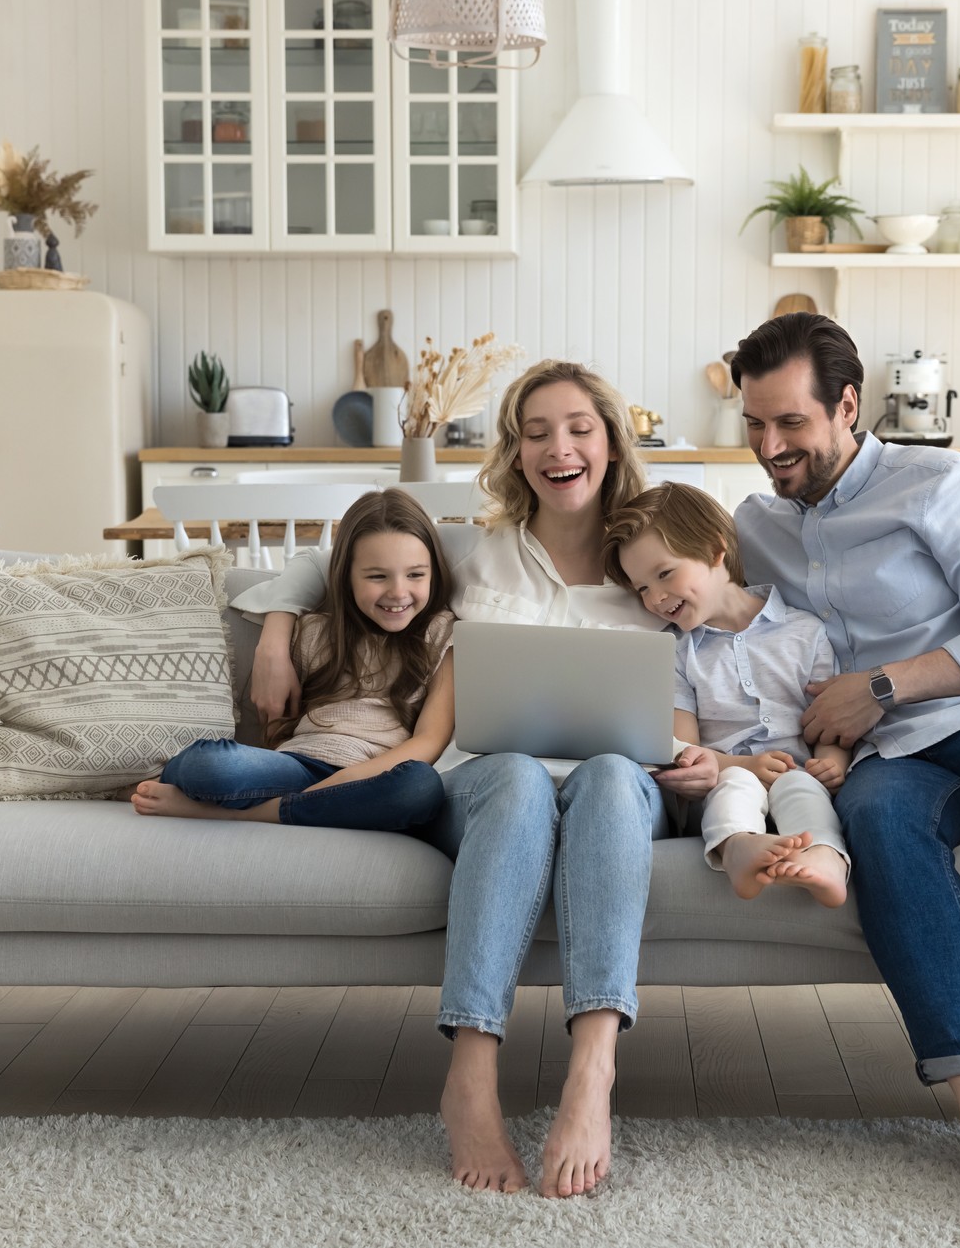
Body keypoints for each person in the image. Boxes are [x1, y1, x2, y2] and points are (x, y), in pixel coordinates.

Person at [656, 313, 960, 1218]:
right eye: (754, 426)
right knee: (881, 828)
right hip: (885, 760)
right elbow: (663, 562)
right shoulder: (755, 527)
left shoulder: (941, 483)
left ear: (848, 405)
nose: (769, 448)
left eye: (791, 424)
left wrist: (877, 685)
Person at [236, 360, 666, 1200]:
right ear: (513, 450)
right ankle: (470, 1074)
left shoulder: (651, 555)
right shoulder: (474, 550)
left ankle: (593, 1072)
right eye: (535, 432)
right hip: (489, 788)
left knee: (611, 774)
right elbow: (332, 558)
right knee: (512, 776)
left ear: (611, 440)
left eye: (578, 427)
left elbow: (729, 608)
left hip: (619, 790)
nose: (559, 448)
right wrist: (278, 634)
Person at [127, 488, 453, 831]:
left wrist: (346, 782)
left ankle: (231, 812)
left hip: (378, 775)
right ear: (346, 576)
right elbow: (275, 729)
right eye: (377, 576)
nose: (398, 592)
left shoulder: (442, 634)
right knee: (207, 765)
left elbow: (429, 741)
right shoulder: (315, 630)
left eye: (415, 574)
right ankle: (312, 809)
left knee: (421, 787)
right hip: (298, 766)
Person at [602, 482, 852, 907]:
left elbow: (830, 716)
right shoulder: (677, 652)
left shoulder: (806, 631)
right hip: (723, 777)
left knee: (801, 786)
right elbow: (684, 750)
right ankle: (736, 847)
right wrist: (743, 764)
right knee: (735, 783)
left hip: (798, 770)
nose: (656, 598)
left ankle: (826, 858)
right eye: (641, 588)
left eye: (664, 574)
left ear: (715, 550)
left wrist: (832, 763)